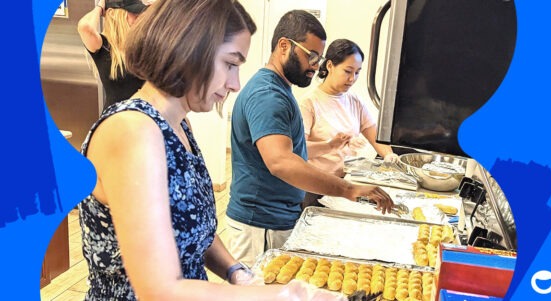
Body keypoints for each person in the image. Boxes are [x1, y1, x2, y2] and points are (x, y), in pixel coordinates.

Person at [78, 0, 345, 300]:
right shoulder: (131, 132)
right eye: (230, 64)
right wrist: (286, 295)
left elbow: (196, 228)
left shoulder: (181, 127)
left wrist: (236, 272)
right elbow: (158, 289)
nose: (235, 84)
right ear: (189, 51)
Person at [227, 10, 394, 267]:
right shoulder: (268, 95)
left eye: (319, 58)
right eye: (312, 56)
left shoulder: (280, 91)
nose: (316, 66)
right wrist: (350, 190)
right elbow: (281, 162)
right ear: (284, 46)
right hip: (260, 225)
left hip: (276, 218)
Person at [298, 39, 398, 207]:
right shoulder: (309, 104)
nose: (352, 79)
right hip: (316, 187)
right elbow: (300, 151)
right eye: (347, 71)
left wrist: (389, 154)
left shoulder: (354, 101)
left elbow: (373, 134)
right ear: (329, 66)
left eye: (357, 72)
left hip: (348, 184)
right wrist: (330, 145)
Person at [77, 0, 149, 110]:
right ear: (113, 14)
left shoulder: (141, 43)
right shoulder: (103, 46)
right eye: (134, 13)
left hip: (145, 118)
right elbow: (85, 27)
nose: (138, 17)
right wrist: (100, 7)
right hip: (116, 120)